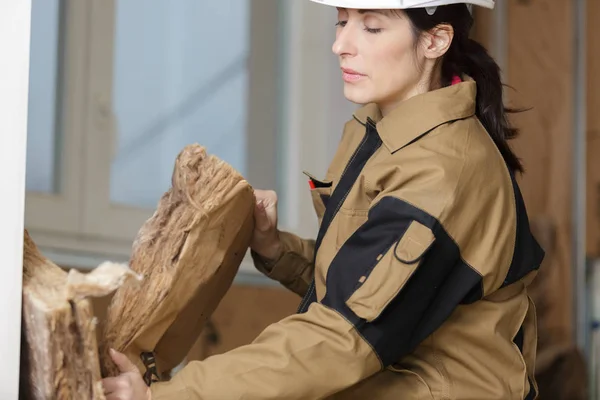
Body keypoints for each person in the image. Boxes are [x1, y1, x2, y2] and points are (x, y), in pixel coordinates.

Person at [101, 0, 545, 399]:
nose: (341, 45)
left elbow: (345, 336)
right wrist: (278, 250)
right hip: (388, 367)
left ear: (435, 40)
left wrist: (167, 396)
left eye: (371, 28)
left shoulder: (444, 172)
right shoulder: (377, 127)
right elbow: (366, 281)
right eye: (342, 22)